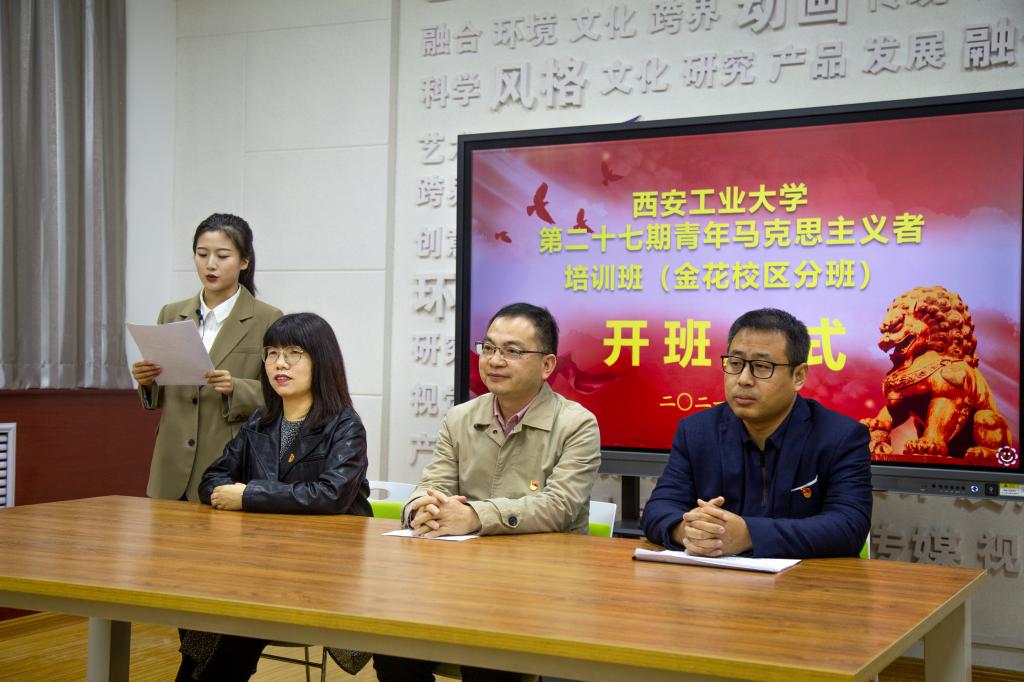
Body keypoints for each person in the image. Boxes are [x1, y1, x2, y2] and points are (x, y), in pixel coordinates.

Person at [373, 302, 601, 682]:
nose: (494, 360)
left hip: (538, 588)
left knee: (488, 660)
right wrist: (421, 508)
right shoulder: (460, 417)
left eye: (512, 351)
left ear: (547, 365)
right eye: (489, 347)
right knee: (392, 647)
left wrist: (474, 516)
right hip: (458, 584)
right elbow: (432, 483)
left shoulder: (577, 425)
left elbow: (558, 507)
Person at [176, 312, 373, 681]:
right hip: (260, 563)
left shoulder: (345, 425)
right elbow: (213, 478)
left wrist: (249, 495)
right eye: (271, 353)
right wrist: (225, 493)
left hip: (320, 571)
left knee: (230, 625)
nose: (280, 364)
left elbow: (331, 495)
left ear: (321, 361)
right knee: (199, 607)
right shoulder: (261, 421)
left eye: (294, 353)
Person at [641, 308, 872, 559]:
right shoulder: (697, 431)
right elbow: (658, 508)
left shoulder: (841, 437)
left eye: (762, 367)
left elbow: (849, 526)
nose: (743, 379)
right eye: (735, 363)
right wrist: (690, 531)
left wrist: (748, 535)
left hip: (803, 580)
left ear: (798, 376)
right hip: (713, 580)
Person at [132, 213, 282, 502]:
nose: (210, 264)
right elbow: (160, 395)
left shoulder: (267, 318)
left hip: (226, 464)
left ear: (244, 261)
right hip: (170, 467)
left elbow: (279, 393)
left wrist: (236, 387)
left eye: (222, 256)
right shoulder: (170, 313)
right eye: (202, 254)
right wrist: (147, 381)